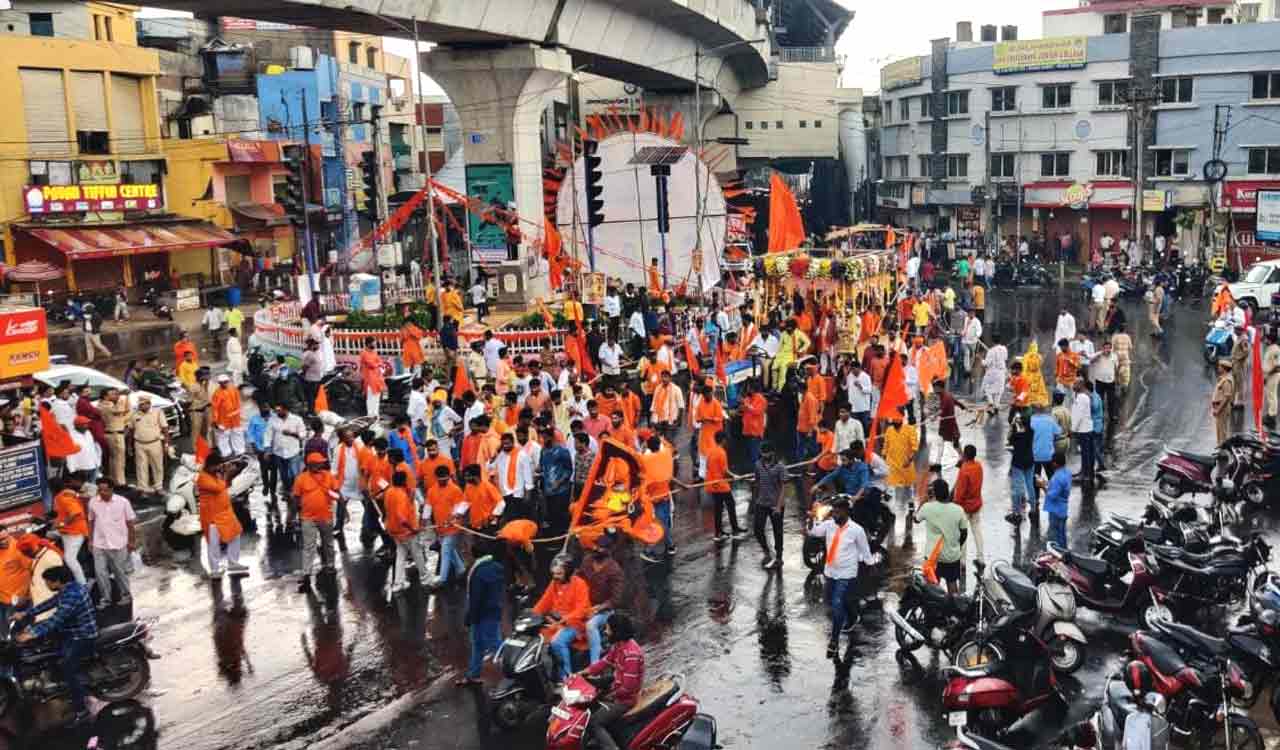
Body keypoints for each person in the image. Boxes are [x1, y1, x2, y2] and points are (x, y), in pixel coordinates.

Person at [14, 566, 96, 724]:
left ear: (57, 581)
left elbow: (56, 619)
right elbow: (50, 603)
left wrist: (32, 633)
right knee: (48, 648)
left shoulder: (73, 595)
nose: (46, 585)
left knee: (67, 667)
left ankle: (82, 710)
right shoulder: (69, 589)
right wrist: (27, 613)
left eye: (47, 582)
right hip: (72, 630)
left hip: (82, 636)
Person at [807, 496, 874, 658]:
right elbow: (813, 532)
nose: (834, 515)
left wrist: (870, 568)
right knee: (833, 601)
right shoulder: (829, 525)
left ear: (845, 512)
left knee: (837, 605)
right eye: (833, 511)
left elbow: (865, 552)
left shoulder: (857, 530)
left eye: (837, 512)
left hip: (846, 573)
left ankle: (834, 641)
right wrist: (811, 520)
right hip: (830, 572)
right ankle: (853, 615)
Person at [581, 612, 645, 750]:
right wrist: (583, 673)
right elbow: (605, 662)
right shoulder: (619, 646)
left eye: (608, 629)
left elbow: (628, 688)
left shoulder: (631, 655)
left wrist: (610, 695)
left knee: (594, 722)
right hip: (617, 688)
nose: (605, 631)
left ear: (617, 631)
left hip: (626, 700)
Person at [534, 553, 592, 683]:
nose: (555, 577)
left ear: (569, 572)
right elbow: (544, 602)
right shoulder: (554, 583)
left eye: (559, 574)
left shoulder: (580, 584)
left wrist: (566, 618)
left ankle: (566, 678)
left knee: (557, 643)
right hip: (556, 624)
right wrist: (532, 616)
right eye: (554, 574)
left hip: (576, 624)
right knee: (536, 640)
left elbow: (582, 609)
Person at [457, 539, 505, 686]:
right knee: (486, 644)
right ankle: (473, 674)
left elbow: (475, 599)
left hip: (481, 615)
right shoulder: (496, 567)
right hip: (493, 612)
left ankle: (514, 672)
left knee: (492, 645)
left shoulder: (477, 572)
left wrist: (469, 617)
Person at [293, 452, 339, 591]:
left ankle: (330, 565)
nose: (321, 464)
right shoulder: (301, 479)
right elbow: (296, 498)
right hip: (308, 518)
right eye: (319, 463)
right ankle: (306, 573)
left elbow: (337, 492)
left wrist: (343, 510)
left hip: (326, 516)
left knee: (328, 543)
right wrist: (295, 515)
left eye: (322, 462)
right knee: (309, 546)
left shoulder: (329, 476)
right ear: (310, 465)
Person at [915, 478, 969, 594]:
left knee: (932, 587)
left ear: (934, 493)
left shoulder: (927, 508)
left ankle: (934, 610)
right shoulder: (958, 510)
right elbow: (964, 533)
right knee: (952, 583)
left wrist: (924, 500)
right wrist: (956, 547)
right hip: (952, 556)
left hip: (933, 558)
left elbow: (916, 519)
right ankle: (954, 607)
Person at [88, 478, 136, 609]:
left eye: (105, 490)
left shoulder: (123, 502)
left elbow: (130, 523)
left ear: (111, 490)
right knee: (100, 573)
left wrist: (131, 541)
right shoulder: (93, 502)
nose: (102, 493)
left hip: (119, 544)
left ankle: (126, 595)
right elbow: (91, 521)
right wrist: (91, 540)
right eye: (100, 490)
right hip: (99, 544)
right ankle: (106, 599)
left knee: (120, 572)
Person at [198, 452, 247, 579]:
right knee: (213, 543)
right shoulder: (203, 478)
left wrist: (235, 468)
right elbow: (219, 488)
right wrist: (226, 474)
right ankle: (214, 570)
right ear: (209, 466)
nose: (219, 468)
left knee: (235, 535)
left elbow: (227, 484)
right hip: (212, 516)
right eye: (217, 466)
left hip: (225, 513)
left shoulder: (216, 474)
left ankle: (233, 563)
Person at [579, 535, 624, 663]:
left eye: (601, 548)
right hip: (583, 605)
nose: (597, 549)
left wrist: (599, 608)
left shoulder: (615, 570)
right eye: (597, 546)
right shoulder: (587, 561)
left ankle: (595, 664)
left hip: (604, 611)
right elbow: (578, 577)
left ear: (609, 551)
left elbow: (616, 599)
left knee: (590, 626)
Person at [384, 470, 429, 595]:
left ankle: (399, 582)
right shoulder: (401, 495)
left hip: (393, 530)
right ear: (404, 481)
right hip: (406, 532)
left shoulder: (389, 492)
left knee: (400, 555)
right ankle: (425, 577)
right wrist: (412, 529)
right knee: (417, 553)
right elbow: (401, 517)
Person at [706, 430, 745, 543]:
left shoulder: (710, 450)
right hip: (721, 485)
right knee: (731, 505)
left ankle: (718, 533)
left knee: (718, 509)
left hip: (712, 484)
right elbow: (725, 471)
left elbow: (708, 466)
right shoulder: (721, 452)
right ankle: (735, 530)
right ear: (723, 440)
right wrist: (735, 476)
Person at [754, 443, 788, 569]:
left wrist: (779, 506)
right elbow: (757, 481)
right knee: (757, 529)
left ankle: (779, 557)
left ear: (772, 453)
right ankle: (767, 552)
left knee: (777, 532)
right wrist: (755, 499)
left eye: (766, 453)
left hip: (775, 505)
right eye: (762, 453)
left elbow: (784, 487)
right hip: (761, 503)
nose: (764, 455)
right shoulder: (758, 464)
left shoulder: (780, 467)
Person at [128, 394, 167, 496]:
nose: (142, 406)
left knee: (157, 466)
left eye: (144, 404)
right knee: (141, 467)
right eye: (140, 404)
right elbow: (131, 430)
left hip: (155, 443)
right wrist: (130, 445)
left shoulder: (158, 412)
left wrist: (166, 443)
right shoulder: (134, 414)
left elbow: (165, 428)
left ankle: (158, 487)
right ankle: (143, 488)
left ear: (149, 404)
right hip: (139, 444)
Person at [952, 445, 985, 563]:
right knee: (977, 530)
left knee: (963, 533)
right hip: (976, 504)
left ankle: (962, 561)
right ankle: (981, 557)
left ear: (965, 455)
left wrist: (955, 504)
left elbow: (960, 493)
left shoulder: (964, 470)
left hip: (964, 507)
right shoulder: (979, 466)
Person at [51, 481, 89, 584]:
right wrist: (56, 523)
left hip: (75, 532)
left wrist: (62, 523)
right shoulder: (63, 495)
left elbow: (75, 513)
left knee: (70, 559)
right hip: (68, 531)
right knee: (49, 535)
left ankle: (82, 583)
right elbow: (62, 514)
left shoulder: (63, 498)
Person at [1007, 411, 1036, 526]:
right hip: (1030, 461)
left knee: (1017, 489)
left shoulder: (1016, 435)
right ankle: (1033, 510)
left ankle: (1016, 513)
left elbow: (1009, 438)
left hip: (1018, 463)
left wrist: (1013, 425)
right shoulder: (1031, 432)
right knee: (1030, 486)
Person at [1040, 452, 1072, 547]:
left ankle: (1057, 554)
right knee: (1062, 534)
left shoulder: (1057, 478)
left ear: (1055, 464)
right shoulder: (1067, 473)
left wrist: (1042, 486)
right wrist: (1047, 483)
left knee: (1054, 536)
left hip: (1055, 511)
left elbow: (1052, 496)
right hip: (1063, 509)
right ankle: (1064, 553)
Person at [211, 374, 244, 456]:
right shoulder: (217, 394)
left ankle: (240, 451)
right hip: (223, 419)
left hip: (235, 418)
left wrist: (239, 414)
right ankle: (226, 453)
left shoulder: (233, 389)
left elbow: (238, 402)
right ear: (219, 383)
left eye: (226, 382)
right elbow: (215, 408)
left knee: (237, 434)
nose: (224, 384)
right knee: (223, 436)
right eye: (222, 382)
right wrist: (215, 421)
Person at [1213, 359, 1235, 445]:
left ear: (1224, 368)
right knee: (1219, 431)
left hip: (1222, 409)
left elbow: (1226, 397)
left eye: (1220, 366)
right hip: (1220, 408)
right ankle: (1220, 448)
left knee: (1222, 432)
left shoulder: (1227, 381)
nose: (1218, 368)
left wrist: (1218, 409)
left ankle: (1223, 451)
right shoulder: (1224, 378)